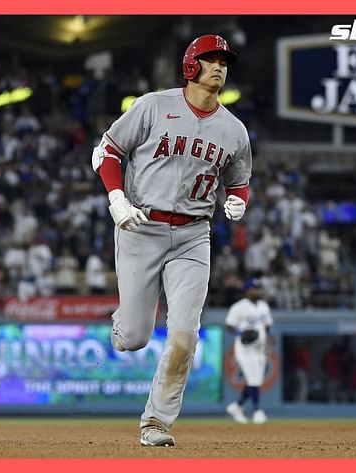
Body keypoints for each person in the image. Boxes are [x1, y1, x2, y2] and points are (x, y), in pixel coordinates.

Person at [91, 35, 251, 446]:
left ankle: (156, 422)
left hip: (194, 236)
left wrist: (237, 202)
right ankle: (122, 323)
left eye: (223, 61)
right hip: (140, 225)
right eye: (210, 59)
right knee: (135, 337)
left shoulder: (233, 130)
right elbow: (106, 151)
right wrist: (116, 199)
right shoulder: (153, 106)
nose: (218, 66)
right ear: (190, 65)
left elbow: (240, 182)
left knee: (184, 333)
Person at [224, 278, 273, 424]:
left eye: (258, 288)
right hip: (245, 348)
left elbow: (268, 325)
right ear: (247, 290)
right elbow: (229, 326)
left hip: (260, 348)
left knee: (255, 379)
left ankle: (237, 406)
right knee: (253, 379)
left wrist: (271, 336)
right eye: (254, 288)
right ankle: (258, 410)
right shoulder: (239, 307)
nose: (257, 291)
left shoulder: (263, 306)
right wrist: (240, 333)